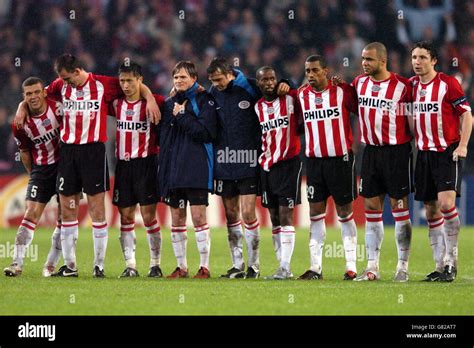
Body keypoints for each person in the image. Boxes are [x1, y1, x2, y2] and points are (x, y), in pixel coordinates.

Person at [15, 53, 160, 278]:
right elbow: (37, 95)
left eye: (66, 78)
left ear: (77, 71)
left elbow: (135, 84)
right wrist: (21, 107)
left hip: (93, 151)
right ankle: (70, 265)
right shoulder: (59, 86)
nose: (64, 82)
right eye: (61, 79)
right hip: (69, 152)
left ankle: (98, 266)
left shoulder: (103, 84)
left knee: (96, 209)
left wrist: (150, 98)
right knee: (68, 209)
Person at [207, 57, 289, 279]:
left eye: (219, 79)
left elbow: (273, 89)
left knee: (248, 212)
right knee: (231, 214)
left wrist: (287, 81)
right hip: (224, 161)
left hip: (249, 160)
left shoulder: (250, 86)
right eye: (213, 81)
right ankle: (237, 264)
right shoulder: (213, 93)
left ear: (229, 73)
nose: (217, 84)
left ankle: (254, 266)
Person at [351, 42, 414, 282]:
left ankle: (402, 267)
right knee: (371, 209)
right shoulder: (359, 84)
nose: (364, 63)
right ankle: (372, 267)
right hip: (371, 153)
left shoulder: (403, 87)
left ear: (383, 61)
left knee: (399, 209)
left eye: (369, 59)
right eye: (363, 59)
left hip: (397, 152)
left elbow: (412, 119)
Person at [410, 41, 472, 282]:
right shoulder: (412, 86)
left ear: (434, 60)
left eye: (423, 57)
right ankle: (438, 265)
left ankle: (451, 262)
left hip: (447, 151)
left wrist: (463, 145)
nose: (417, 62)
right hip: (423, 154)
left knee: (446, 204)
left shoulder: (448, 84)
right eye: (414, 57)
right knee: (430, 209)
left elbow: (467, 115)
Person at [297, 55, 359, 281]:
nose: (311, 75)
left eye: (315, 70)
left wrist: (345, 84)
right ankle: (315, 268)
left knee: (344, 212)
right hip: (314, 162)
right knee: (315, 214)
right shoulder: (302, 95)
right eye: (307, 71)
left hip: (340, 160)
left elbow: (361, 110)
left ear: (326, 70)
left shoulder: (341, 92)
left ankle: (351, 267)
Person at [158, 60, 217, 279]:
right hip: (175, 169)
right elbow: (164, 137)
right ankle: (181, 267)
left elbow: (206, 133)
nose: (179, 80)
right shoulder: (169, 103)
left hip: (196, 166)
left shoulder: (204, 100)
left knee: (199, 216)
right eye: (176, 77)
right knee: (177, 218)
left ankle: (204, 267)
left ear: (194, 78)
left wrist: (182, 116)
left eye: (183, 77)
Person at [109, 61, 165, 278]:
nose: (125, 85)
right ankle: (131, 265)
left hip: (146, 163)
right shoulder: (115, 104)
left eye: (130, 80)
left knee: (149, 215)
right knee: (126, 216)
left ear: (140, 80)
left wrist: (149, 97)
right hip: (123, 166)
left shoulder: (156, 102)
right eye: (122, 81)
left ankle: (155, 264)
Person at [4, 77, 63, 277]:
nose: (33, 97)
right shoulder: (20, 124)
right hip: (42, 169)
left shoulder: (59, 108)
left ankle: (50, 266)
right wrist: (33, 175)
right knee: (30, 213)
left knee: (65, 219)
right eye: (28, 94)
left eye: (37, 92)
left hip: (65, 169)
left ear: (44, 92)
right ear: (24, 96)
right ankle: (16, 263)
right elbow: (25, 152)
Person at [254, 66, 302, 280]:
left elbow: (305, 92)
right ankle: (281, 265)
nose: (269, 83)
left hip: (289, 164)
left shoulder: (291, 98)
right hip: (267, 166)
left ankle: (286, 266)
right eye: (264, 79)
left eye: (272, 78)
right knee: (273, 217)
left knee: (285, 215)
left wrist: (289, 82)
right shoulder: (257, 107)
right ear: (258, 83)